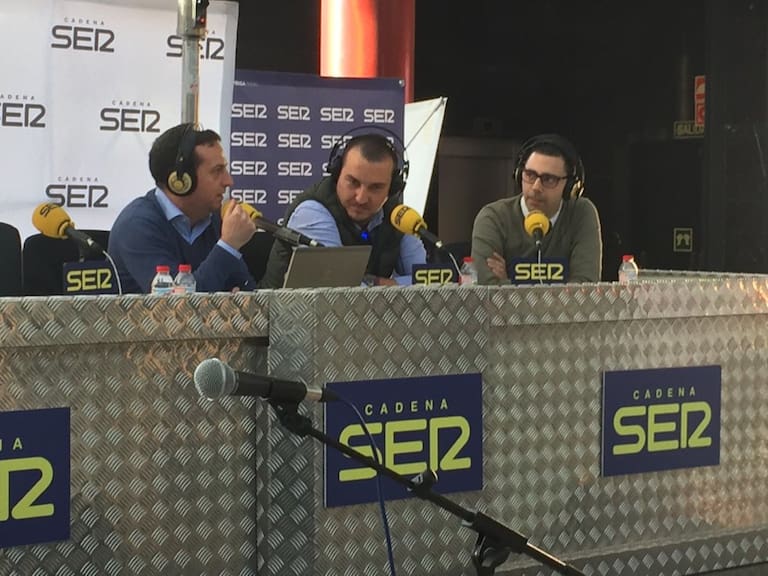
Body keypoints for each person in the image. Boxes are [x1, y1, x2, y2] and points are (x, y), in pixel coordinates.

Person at [259, 132, 426, 288]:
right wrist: (387, 284)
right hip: (283, 310)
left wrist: (377, 283)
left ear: (392, 188)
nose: (361, 198)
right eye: (353, 182)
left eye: (375, 187)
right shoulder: (311, 212)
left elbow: (427, 281)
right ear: (337, 173)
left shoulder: (398, 216)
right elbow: (341, 289)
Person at [109, 123, 257, 293]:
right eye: (217, 171)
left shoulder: (215, 220)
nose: (228, 181)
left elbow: (246, 291)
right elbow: (178, 303)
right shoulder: (136, 226)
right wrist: (228, 245)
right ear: (180, 182)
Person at [471, 133, 602, 284]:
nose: (536, 187)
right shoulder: (493, 218)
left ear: (569, 187)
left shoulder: (581, 213)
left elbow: (584, 288)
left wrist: (508, 283)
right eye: (530, 175)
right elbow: (487, 289)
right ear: (519, 175)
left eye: (549, 179)